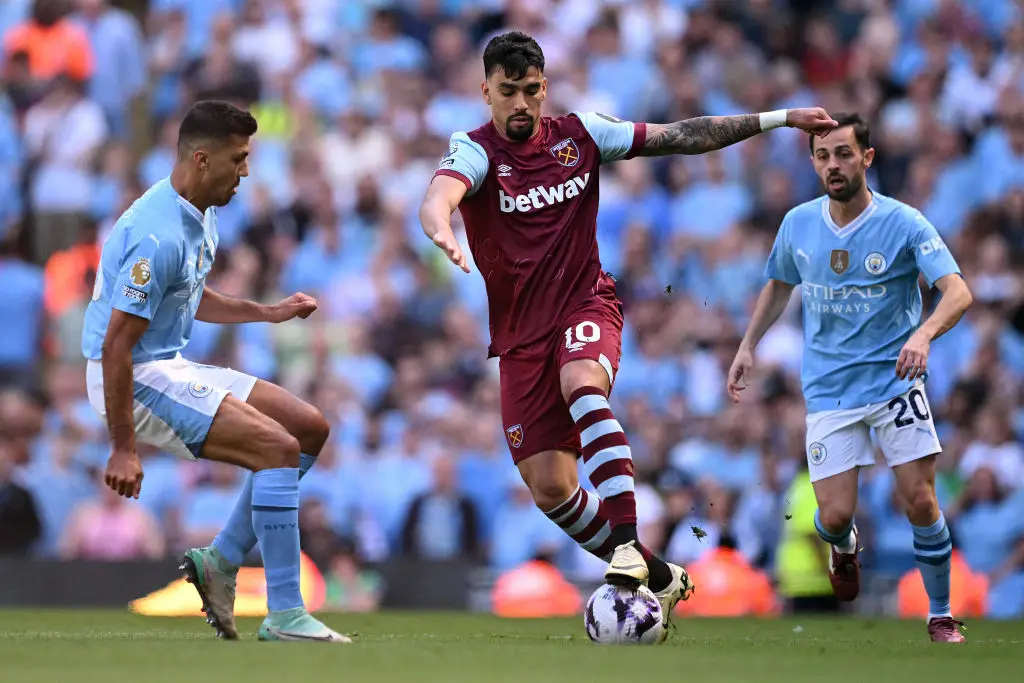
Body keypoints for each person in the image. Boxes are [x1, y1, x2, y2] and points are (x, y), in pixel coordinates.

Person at [417, 30, 837, 636]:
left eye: (531, 91)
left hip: (586, 304)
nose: (521, 105)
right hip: (520, 338)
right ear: (486, 91)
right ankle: (661, 576)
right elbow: (440, 195)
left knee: (583, 385)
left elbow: (685, 137)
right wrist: (441, 226)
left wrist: (779, 118)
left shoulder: (582, 135)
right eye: (508, 92)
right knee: (551, 487)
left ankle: (625, 551)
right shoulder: (475, 149)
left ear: (545, 89)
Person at [81, 100, 348, 643]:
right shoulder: (155, 237)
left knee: (309, 429)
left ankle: (221, 559)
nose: (246, 172)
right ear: (202, 159)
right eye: (239, 159)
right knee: (275, 448)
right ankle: (285, 614)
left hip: (166, 366)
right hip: (132, 378)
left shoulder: (200, 213)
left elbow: (190, 298)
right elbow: (115, 348)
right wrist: (123, 447)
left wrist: (267, 311)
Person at [727, 113, 974, 642]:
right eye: (822, 156)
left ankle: (940, 613)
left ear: (867, 157)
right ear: (813, 163)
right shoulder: (798, 223)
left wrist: (924, 334)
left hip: (894, 383)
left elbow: (957, 292)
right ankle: (843, 547)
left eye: (843, 153)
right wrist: (749, 345)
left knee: (922, 501)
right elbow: (777, 285)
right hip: (830, 391)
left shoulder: (905, 223)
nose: (833, 164)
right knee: (834, 516)